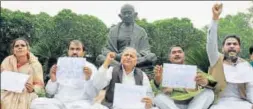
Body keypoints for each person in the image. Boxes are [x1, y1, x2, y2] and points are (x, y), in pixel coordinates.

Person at [30, 40, 107, 109]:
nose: (74, 52)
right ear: (68, 51)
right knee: (36, 103)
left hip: (80, 103)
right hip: (59, 102)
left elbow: (93, 94)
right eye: (72, 49)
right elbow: (50, 92)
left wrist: (88, 79)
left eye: (78, 49)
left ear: (83, 52)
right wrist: (53, 79)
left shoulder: (90, 67)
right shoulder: (60, 65)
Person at [207, 3, 253, 109]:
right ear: (223, 48)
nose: (232, 46)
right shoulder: (216, 59)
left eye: (235, 44)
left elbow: (251, 87)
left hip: (241, 103)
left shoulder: (245, 65)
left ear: (239, 48)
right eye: (228, 44)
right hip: (218, 103)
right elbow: (210, 42)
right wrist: (215, 18)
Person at [151, 45, 215, 109]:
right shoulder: (162, 72)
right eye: (174, 52)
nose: (177, 54)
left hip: (194, 104)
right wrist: (157, 81)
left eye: (179, 52)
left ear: (184, 56)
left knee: (209, 93)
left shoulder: (195, 71)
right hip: (171, 104)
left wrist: (205, 82)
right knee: (159, 97)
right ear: (169, 58)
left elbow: (214, 85)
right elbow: (151, 90)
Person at [1, 37, 45, 109]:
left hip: (28, 94)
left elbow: (40, 85)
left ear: (28, 49)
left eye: (23, 45)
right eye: (17, 46)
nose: (20, 47)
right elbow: (4, 80)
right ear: (13, 50)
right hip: (9, 93)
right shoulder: (7, 61)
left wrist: (33, 89)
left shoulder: (35, 64)